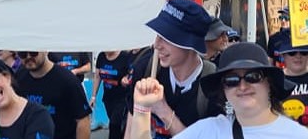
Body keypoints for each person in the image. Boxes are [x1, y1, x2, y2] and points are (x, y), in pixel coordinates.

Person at [129, 42, 306, 138]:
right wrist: (142, 109)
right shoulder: (209, 130)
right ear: (224, 90)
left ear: (269, 83)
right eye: (232, 80)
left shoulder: (297, 135)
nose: (243, 86)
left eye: (253, 77)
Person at [123, 0, 220, 139]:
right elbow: (131, 131)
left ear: (190, 44)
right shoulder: (147, 69)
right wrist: (141, 109)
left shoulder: (214, 85)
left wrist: (164, 111)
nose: (156, 44)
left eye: (167, 37)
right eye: (158, 35)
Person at [16, 51, 92, 139]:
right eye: (23, 54)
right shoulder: (19, 77)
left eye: (33, 53)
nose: (28, 57)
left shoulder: (67, 80)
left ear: (45, 51)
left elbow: (83, 120)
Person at [91, 50, 130, 139]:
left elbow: (131, 72)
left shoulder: (124, 56)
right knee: (116, 125)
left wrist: (126, 78)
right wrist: (93, 97)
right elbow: (97, 77)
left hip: (122, 98)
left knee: (114, 124)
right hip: (108, 98)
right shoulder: (101, 56)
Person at [279, 35, 308, 127]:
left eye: (303, 53)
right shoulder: (275, 80)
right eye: (292, 53)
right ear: (283, 56)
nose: (298, 56)